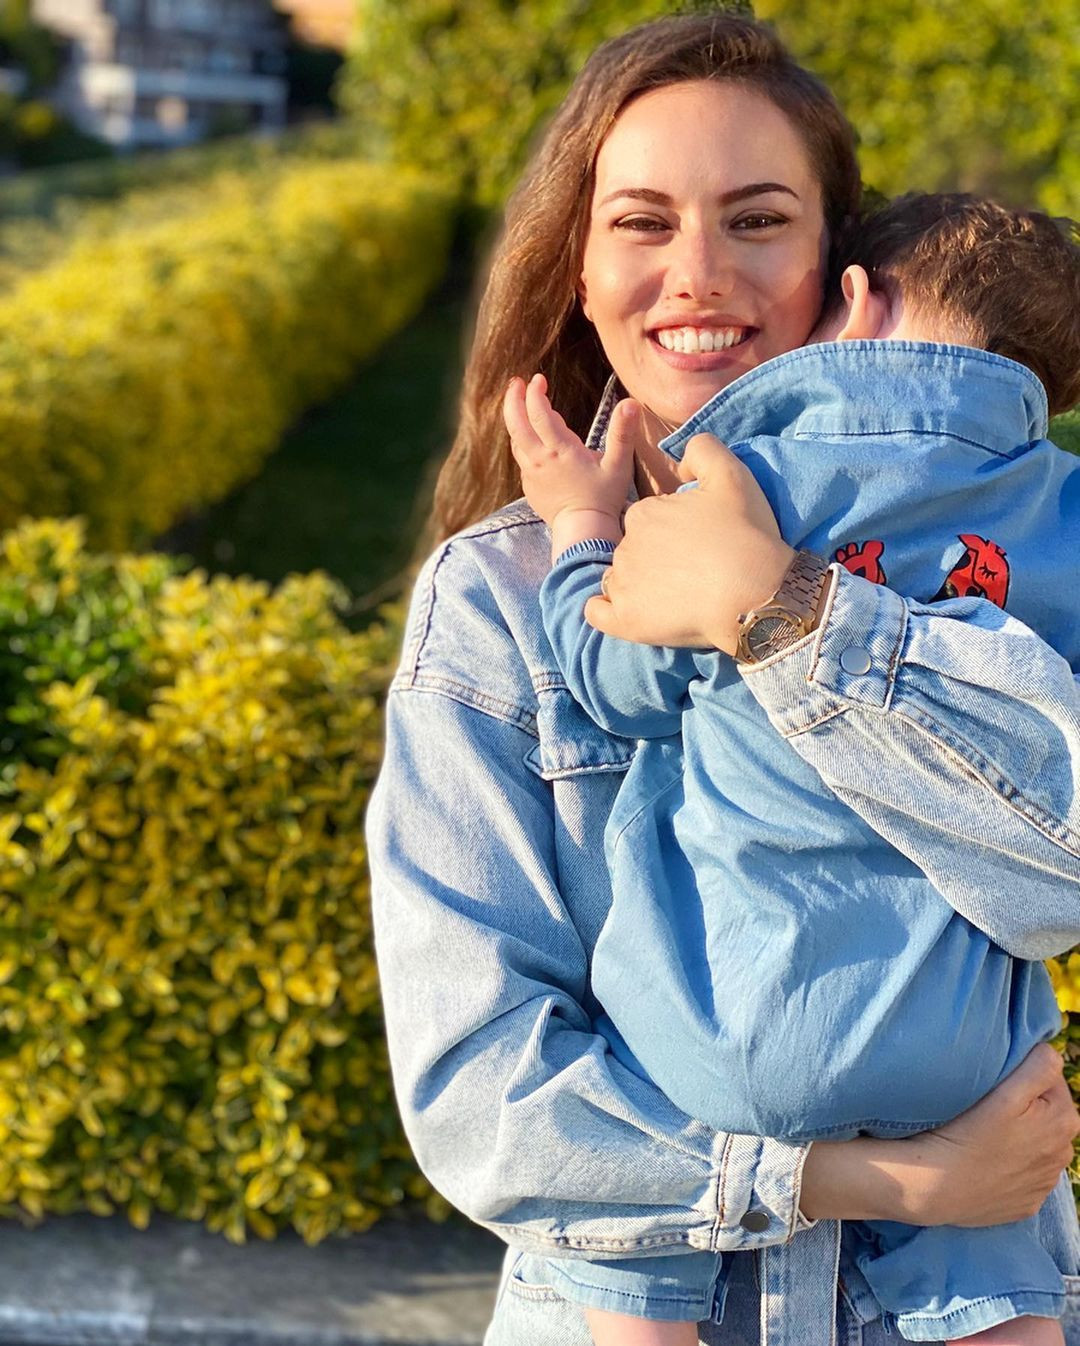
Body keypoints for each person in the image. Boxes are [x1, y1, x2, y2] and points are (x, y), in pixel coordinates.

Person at [365, 14, 1080, 1346]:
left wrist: (789, 609)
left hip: (955, 1300)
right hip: (650, 1292)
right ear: (575, 271)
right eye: (642, 222)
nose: (698, 273)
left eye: (757, 220)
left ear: (844, 275)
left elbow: (1063, 871)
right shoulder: (500, 600)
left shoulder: (987, 551)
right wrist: (861, 1180)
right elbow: (483, 1091)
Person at [505, 191, 1080, 1346]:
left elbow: (616, 679)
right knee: (1001, 1274)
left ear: (852, 300)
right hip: (959, 1058)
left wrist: (579, 534)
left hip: (716, 1037)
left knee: (632, 1272)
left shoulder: (740, 476)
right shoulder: (1063, 510)